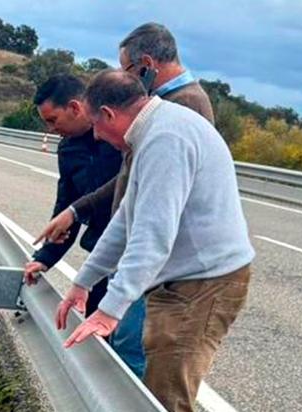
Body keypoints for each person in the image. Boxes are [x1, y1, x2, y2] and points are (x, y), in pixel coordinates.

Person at [59, 71, 254, 412]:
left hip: (203, 285)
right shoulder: (153, 133)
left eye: (98, 129)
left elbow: (152, 237)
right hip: (181, 283)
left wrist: (108, 311)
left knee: (165, 407)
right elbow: (124, 221)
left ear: (107, 114)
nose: (97, 139)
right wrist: (84, 281)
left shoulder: (165, 140)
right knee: (150, 399)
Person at [35, 23, 216, 376]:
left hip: (163, 268)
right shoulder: (160, 109)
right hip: (139, 258)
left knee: (135, 356)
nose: (101, 135)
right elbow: (130, 195)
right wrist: (74, 258)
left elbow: (154, 217)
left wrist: (110, 304)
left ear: (146, 63)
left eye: (127, 71)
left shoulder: (182, 108)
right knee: (121, 350)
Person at [22, 75, 140, 375]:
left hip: (134, 254)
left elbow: (125, 185)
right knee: (96, 331)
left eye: (53, 119)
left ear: (76, 107)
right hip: (102, 253)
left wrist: (75, 211)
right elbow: (66, 206)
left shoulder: (120, 138)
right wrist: (44, 259)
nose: (51, 129)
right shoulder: (68, 149)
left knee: (128, 340)